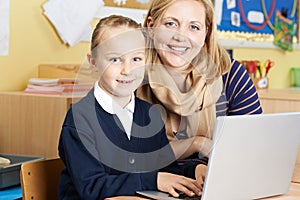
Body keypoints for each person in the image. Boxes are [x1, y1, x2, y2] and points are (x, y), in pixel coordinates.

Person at [58, 15, 205, 200]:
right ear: (93, 62)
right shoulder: (80, 119)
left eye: (136, 59)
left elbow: (164, 168)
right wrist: (153, 180)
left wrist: (195, 170)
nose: (127, 70)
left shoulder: (149, 113)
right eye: (115, 59)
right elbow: (91, 187)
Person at [136, 0, 263, 161]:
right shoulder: (129, 74)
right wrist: (196, 144)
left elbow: (253, 148)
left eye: (194, 27)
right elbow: (122, 161)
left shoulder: (230, 75)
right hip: (147, 184)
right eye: (170, 24)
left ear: (206, 33)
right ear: (151, 27)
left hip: (216, 183)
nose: (180, 37)